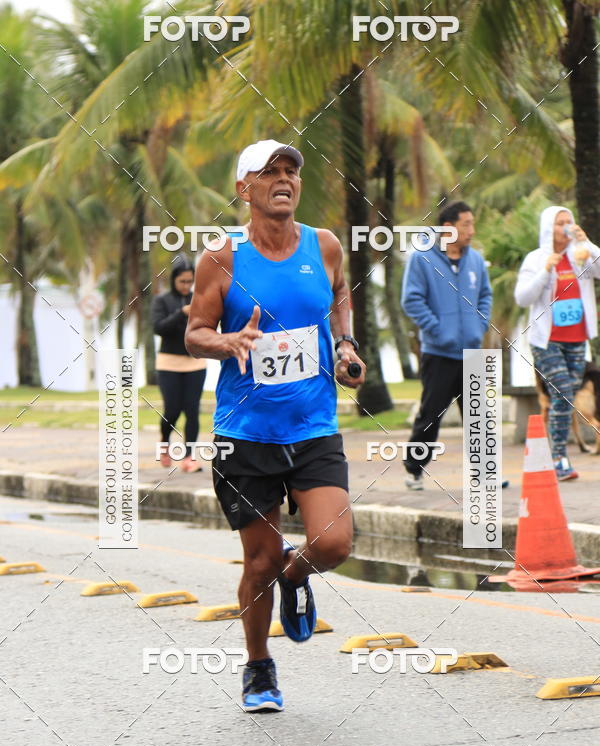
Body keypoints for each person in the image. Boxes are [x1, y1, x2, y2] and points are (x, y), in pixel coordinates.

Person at [185, 139, 365, 712]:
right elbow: (194, 333)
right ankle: (259, 666)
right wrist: (227, 341)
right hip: (246, 433)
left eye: (291, 171)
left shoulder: (326, 245)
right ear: (245, 189)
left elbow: (339, 296)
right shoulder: (221, 258)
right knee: (257, 560)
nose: (284, 179)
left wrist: (345, 346)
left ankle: (298, 573)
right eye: (270, 173)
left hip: (313, 425)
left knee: (333, 542)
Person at [401, 201, 493, 490]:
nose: (471, 230)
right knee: (431, 416)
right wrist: (439, 331)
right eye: (466, 224)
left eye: (472, 224)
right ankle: (414, 470)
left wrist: (479, 325)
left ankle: (484, 473)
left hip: (472, 351)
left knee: (478, 416)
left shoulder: (475, 260)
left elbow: (485, 296)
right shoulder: (423, 258)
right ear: (448, 228)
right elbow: (411, 300)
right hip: (439, 353)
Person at [515, 205, 600, 480]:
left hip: (577, 340)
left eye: (569, 221)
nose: (566, 226)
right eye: (559, 222)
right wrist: (545, 271)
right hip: (546, 340)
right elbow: (522, 298)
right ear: (547, 228)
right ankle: (559, 457)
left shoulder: (580, 256)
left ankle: (558, 455)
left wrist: (586, 241)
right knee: (562, 393)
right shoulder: (536, 259)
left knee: (566, 399)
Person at [152, 256, 207, 473]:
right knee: (172, 410)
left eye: (189, 281)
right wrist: (180, 314)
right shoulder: (162, 301)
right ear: (174, 279)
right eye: (182, 281)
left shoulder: (198, 299)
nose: (186, 286)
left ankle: (189, 457)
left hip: (195, 362)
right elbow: (158, 327)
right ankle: (165, 440)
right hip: (169, 363)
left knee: (192, 410)